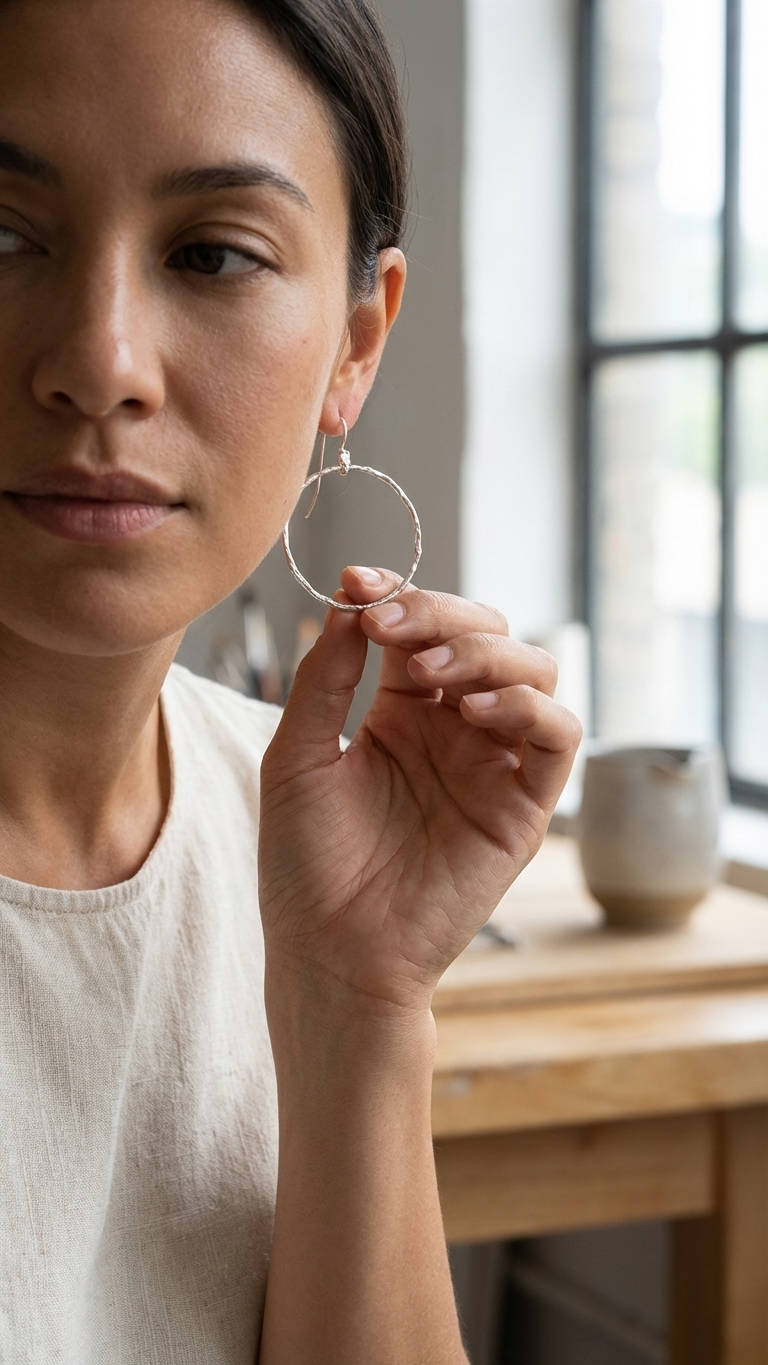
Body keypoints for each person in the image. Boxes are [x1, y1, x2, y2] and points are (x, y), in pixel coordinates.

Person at [0, 0, 581, 1360]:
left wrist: (360, 1005)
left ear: (358, 344)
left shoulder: (286, 836)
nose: (101, 364)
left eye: (212, 254)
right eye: (2, 235)